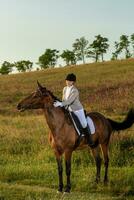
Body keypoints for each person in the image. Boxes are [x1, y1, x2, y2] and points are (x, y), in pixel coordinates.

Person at [53, 73, 94, 147]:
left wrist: (61, 104)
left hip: (77, 110)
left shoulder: (75, 91)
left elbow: (69, 101)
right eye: (67, 80)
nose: (67, 82)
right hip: (68, 109)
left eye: (69, 81)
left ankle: (89, 139)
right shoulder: (64, 89)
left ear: (73, 82)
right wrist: (61, 104)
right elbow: (64, 99)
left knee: (84, 123)